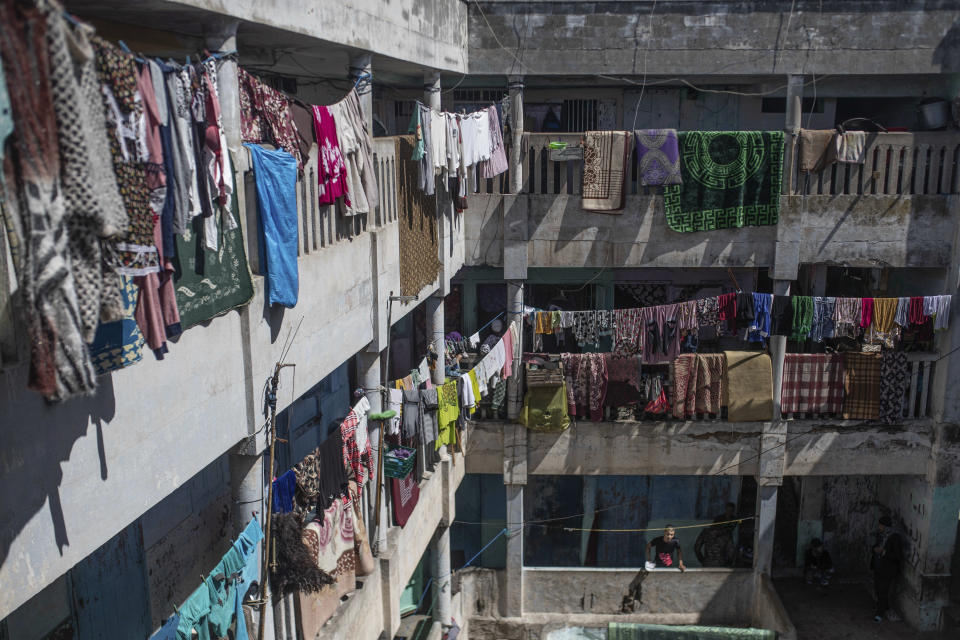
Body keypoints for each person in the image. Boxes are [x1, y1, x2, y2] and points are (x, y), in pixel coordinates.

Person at [871, 515, 903, 622]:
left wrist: (884, 552)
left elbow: (897, 556)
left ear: (885, 526)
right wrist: (875, 549)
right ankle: (884, 605)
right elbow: (876, 545)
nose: (879, 527)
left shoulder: (895, 538)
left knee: (883, 590)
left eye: (880, 525)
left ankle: (880, 613)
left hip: (887, 570)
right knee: (877, 588)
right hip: (878, 566)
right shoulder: (881, 535)